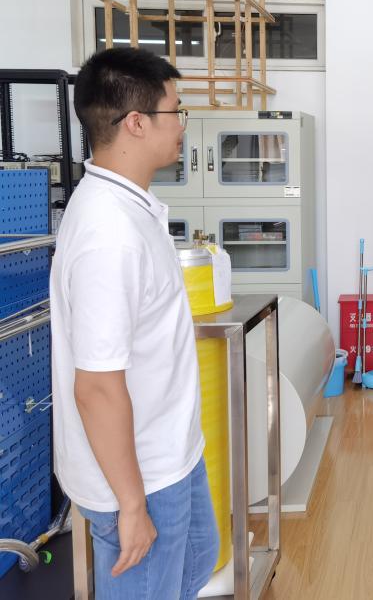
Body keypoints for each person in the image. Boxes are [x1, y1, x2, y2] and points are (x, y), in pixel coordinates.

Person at [51, 47, 217, 599]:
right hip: (139, 474)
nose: (183, 124)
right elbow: (96, 386)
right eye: (177, 111)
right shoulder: (109, 234)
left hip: (170, 451)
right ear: (137, 123)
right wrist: (131, 504)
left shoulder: (131, 207)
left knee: (198, 561)